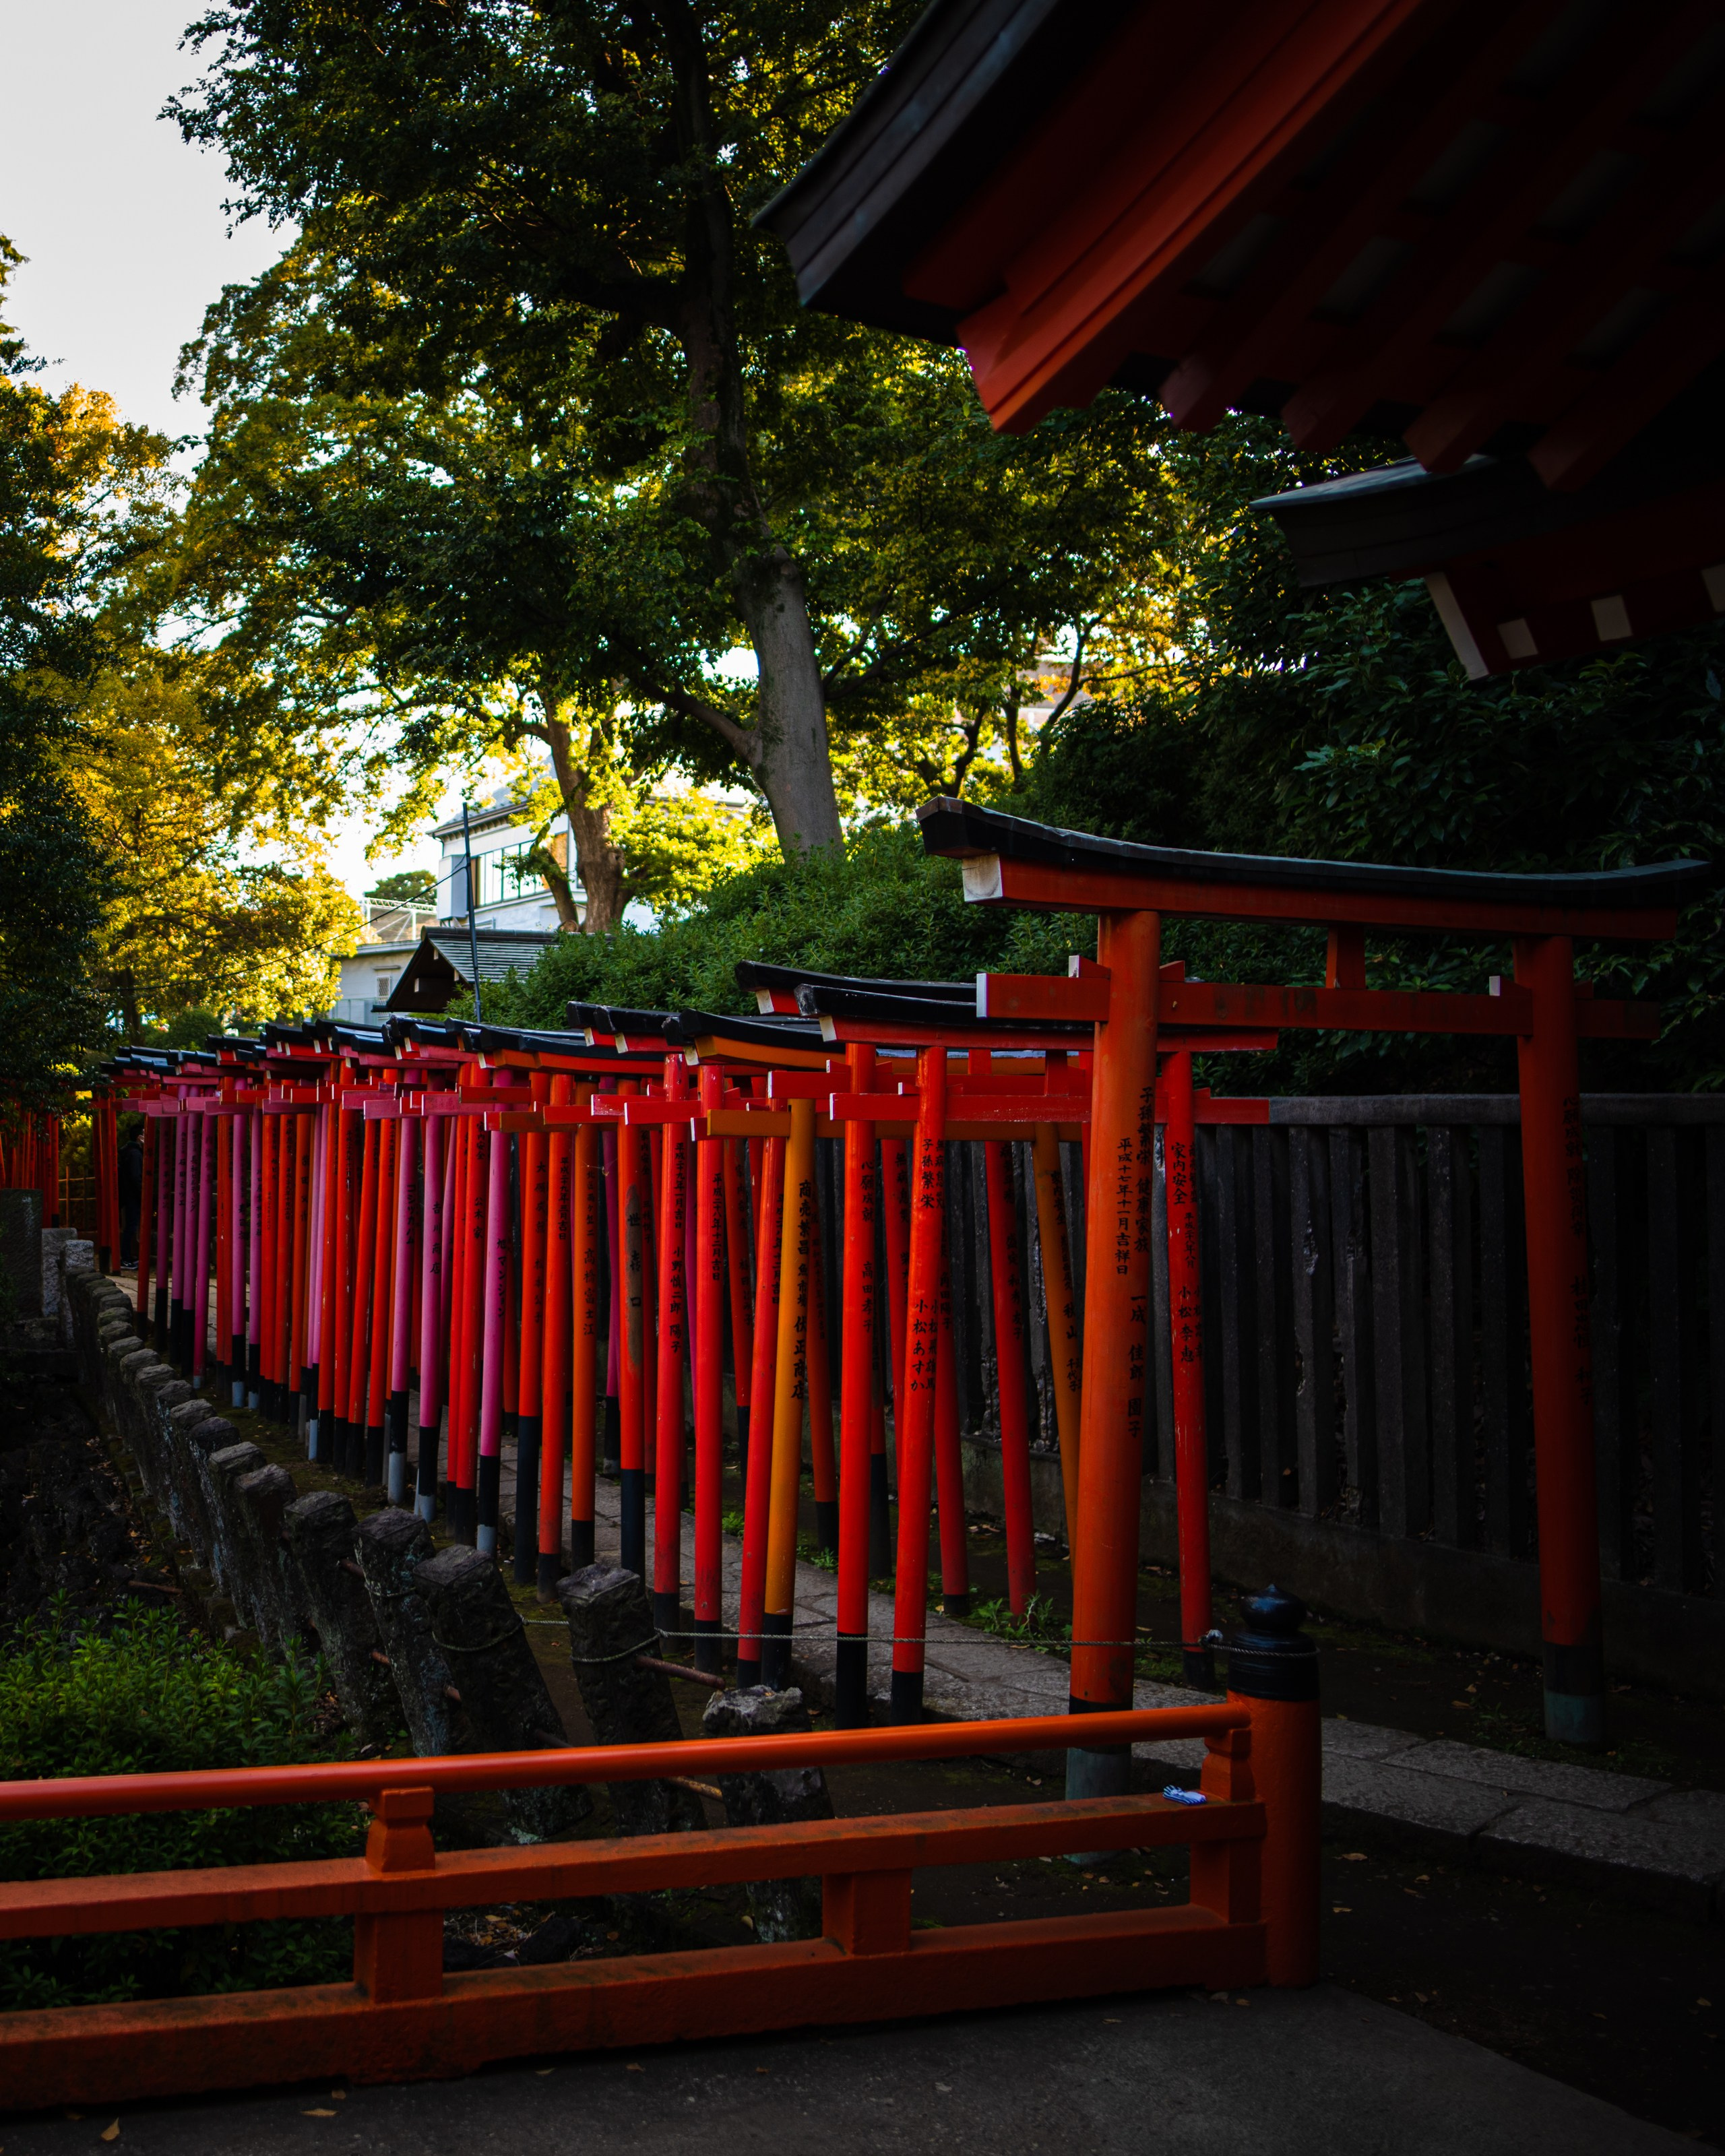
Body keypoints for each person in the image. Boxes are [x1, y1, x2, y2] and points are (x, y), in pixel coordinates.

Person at [117, 1127, 144, 1269]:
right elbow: (136, 1177)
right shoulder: (135, 1154)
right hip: (133, 1194)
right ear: (139, 1137)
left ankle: (127, 1256)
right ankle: (126, 1258)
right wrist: (142, 1192)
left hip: (128, 1193)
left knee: (130, 1226)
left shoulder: (129, 1152)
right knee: (131, 1226)